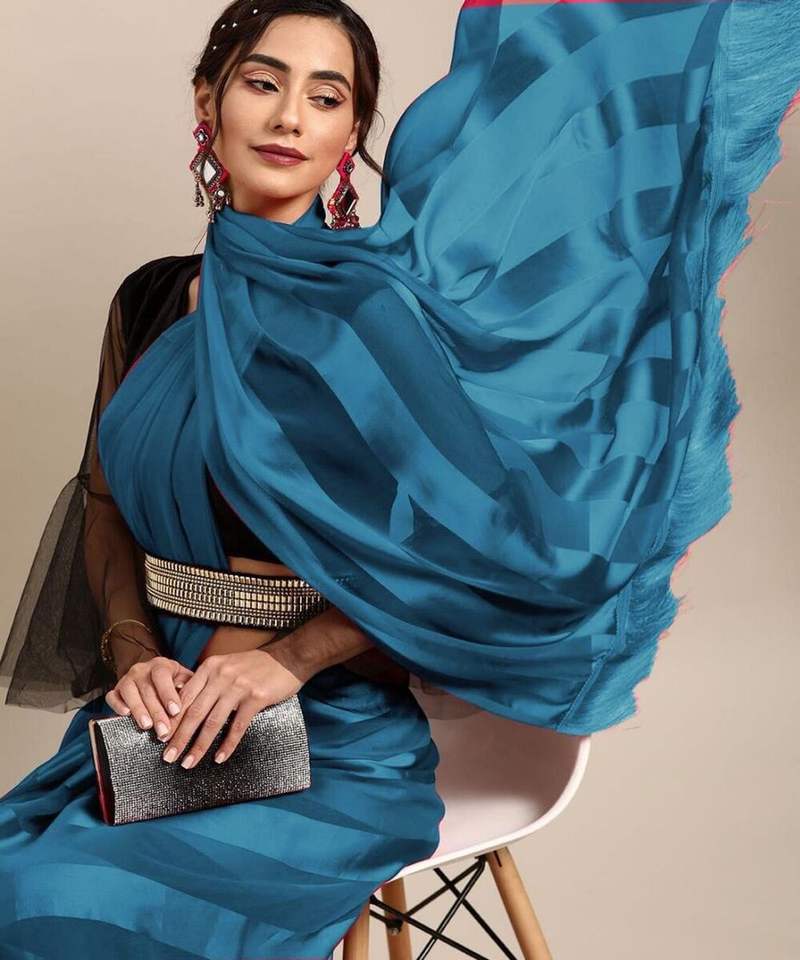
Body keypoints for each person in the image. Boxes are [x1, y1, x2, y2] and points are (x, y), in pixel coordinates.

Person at [1, 0, 798, 956]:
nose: (289, 117)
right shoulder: (151, 299)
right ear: (208, 101)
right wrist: (133, 655)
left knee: (64, 902)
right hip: (164, 719)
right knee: (18, 882)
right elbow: (103, 503)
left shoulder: (376, 311)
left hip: (324, 724)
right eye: (263, 82)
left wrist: (289, 662)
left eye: (326, 97)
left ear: (351, 135)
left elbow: (465, 550)